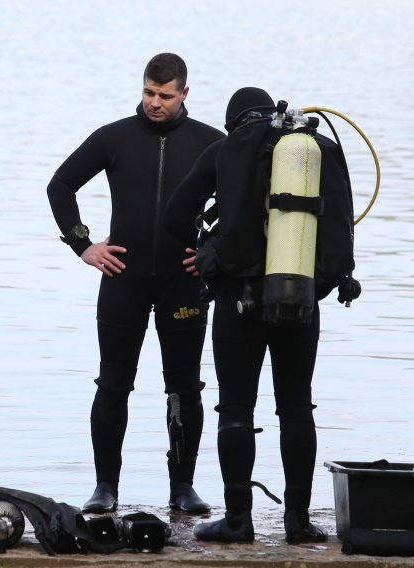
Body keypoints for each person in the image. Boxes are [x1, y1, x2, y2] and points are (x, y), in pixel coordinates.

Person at [162, 87, 356, 543]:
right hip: (300, 299)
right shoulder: (316, 148)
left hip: (238, 300)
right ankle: (298, 523)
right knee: (296, 407)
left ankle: (237, 521)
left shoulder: (226, 148)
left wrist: (207, 240)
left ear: (235, 122)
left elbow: (174, 217)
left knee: (235, 408)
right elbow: (341, 228)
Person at [46, 53, 224, 514]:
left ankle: (182, 488)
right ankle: (106, 487)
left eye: (165, 95)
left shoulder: (210, 143)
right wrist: (83, 246)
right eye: (148, 92)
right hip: (122, 278)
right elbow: (60, 185)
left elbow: (242, 206)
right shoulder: (114, 137)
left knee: (184, 388)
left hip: (182, 283)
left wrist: (210, 253)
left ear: (185, 93)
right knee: (113, 384)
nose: (154, 103)